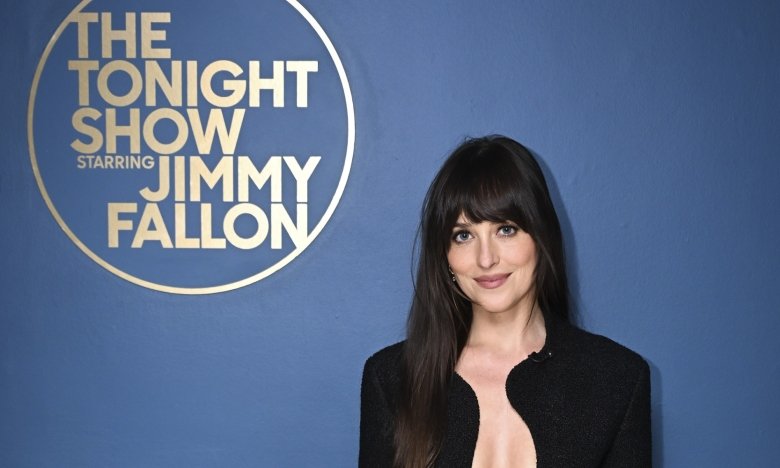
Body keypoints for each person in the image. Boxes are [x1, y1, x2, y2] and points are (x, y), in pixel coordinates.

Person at [359, 135, 651, 468]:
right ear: (445, 256)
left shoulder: (617, 379)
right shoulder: (392, 380)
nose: (486, 259)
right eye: (464, 235)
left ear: (541, 236)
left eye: (506, 230)